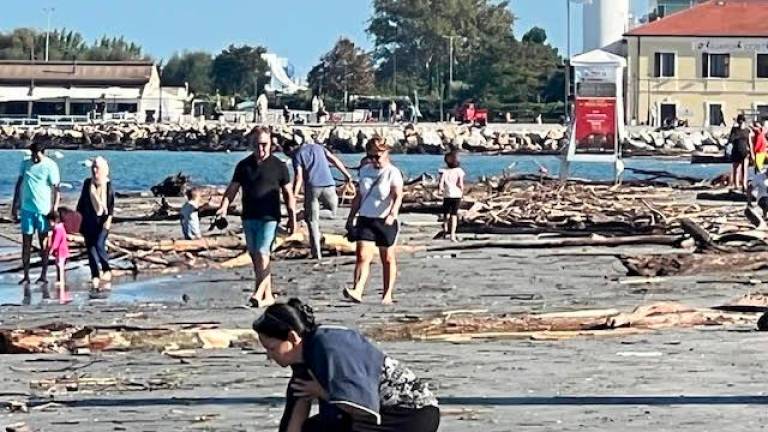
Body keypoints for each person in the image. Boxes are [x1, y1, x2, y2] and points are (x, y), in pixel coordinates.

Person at [253, 298, 440, 432]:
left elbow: (361, 408)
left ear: (292, 338)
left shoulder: (328, 346)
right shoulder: (302, 359)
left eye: (272, 348)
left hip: (409, 413)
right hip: (375, 416)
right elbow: (296, 415)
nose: (269, 357)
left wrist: (322, 393)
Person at [217, 127, 296, 307]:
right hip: (249, 216)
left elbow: (288, 194)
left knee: (262, 252)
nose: (261, 149)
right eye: (257, 145)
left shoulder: (279, 166)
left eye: (265, 145)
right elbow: (232, 189)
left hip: (270, 217)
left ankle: (258, 293)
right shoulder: (244, 166)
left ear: (271, 144)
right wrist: (223, 208)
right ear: (252, 145)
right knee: (255, 256)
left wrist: (293, 219)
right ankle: (268, 296)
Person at [344, 137, 404, 304]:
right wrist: (351, 217)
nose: (374, 160)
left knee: (387, 258)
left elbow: (397, 195)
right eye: (370, 156)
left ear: (386, 153)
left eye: (377, 156)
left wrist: (393, 213)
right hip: (366, 218)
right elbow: (359, 195)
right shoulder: (365, 170)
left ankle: (387, 294)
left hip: (385, 220)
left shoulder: (393, 172)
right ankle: (358, 290)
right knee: (362, 255)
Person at [290, 135, 353, 260]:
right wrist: (347, 175)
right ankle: (307, 215)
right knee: (332, 211)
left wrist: (293, 194)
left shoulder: (297, 154)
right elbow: (334, 160)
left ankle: (316, 253)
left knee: (312, 222)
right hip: (329, 184)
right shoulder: (319, 148)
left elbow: (299, 176)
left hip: (312, 187)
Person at [11, 142, 61, 285]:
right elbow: (19, 184)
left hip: (43, 211)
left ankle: (43, 274)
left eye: (37, 154)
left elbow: (56, 189)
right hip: (27, 210)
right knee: (26, 243)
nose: (35, 158)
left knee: (44, 244)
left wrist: (54, 209)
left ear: (43, 153)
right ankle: (26, 275)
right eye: (33, 154)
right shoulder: (25, 164)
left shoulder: (50, 166)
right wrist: (15, 205)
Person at [76, 156, 115, 290]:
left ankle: (107, 269)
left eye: (97, 167)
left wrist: (109, 219)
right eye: (93, 167)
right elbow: (81, 202)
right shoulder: (88, 183)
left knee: (99, 244)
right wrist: (77, 218)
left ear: (103, 169)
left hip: (102, 221)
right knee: (90, 248)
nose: (94, 170)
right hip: (88, 221)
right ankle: (95, 275)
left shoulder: (107, 184)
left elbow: (110, 205)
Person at [438, 151, 465, 242]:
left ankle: (445, 229)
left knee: (446, 213)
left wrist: (440, 190)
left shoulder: (444, 171)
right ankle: (452, 234)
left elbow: (441, 183)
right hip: (456, 194)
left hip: (447, 194)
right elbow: (460, 184)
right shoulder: (459, 171)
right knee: (454, 214)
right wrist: (462, 191)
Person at [46, 210, 69, 295]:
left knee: (60, 266)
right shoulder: (60, 228)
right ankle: (59, 279)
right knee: (58, 265)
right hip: (60, 251)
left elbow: (56, 241)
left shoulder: (58, 229)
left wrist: (51, 249)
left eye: (49, 222)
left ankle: (61, 280)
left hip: (61, 251)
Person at [729, 114, 752, 191]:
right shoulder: (734, 130)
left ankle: (744, 185)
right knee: (736, 169)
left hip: (745, 152)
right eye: (739, 121)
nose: (740, 123)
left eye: (742, 121)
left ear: (744, 122)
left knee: (744, 169)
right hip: (736, 151)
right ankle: (736, 185)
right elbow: (730, 140)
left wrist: (752, 153)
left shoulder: (747, 130)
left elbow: (750, 142)